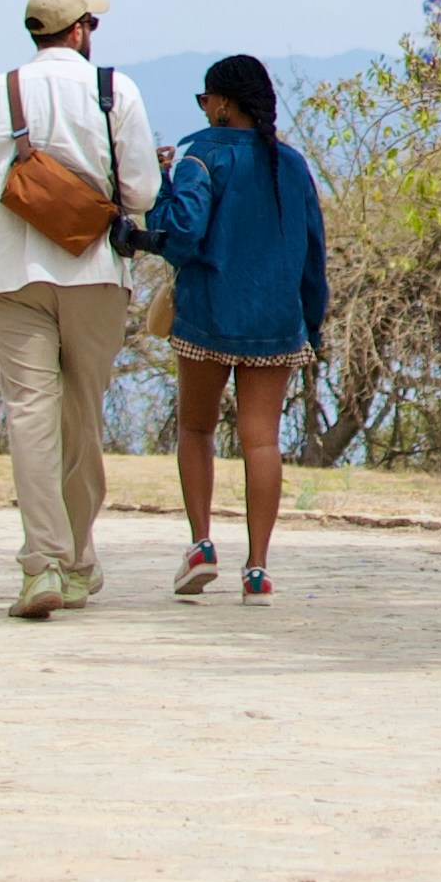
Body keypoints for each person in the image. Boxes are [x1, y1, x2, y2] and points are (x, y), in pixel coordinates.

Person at [0, 0, 159, 619]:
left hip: (9, 271)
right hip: (92, 269)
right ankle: (79, 561)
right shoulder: (114, 90)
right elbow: (139, 192)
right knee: (81, 414)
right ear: (83, 29)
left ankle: (42, 566)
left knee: (30, 415)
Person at [135, 53, 328, 603]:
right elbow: (314, 255)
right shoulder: (290, 164)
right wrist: (309, 325)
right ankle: (258, 570)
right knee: (261, 441)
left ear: (221, 102)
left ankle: (201, 545)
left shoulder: (202, 156)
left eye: (204, 99)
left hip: (207, 316)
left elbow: (182, 234)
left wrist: (161, 187)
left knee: (195, 430)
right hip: (275, 324)